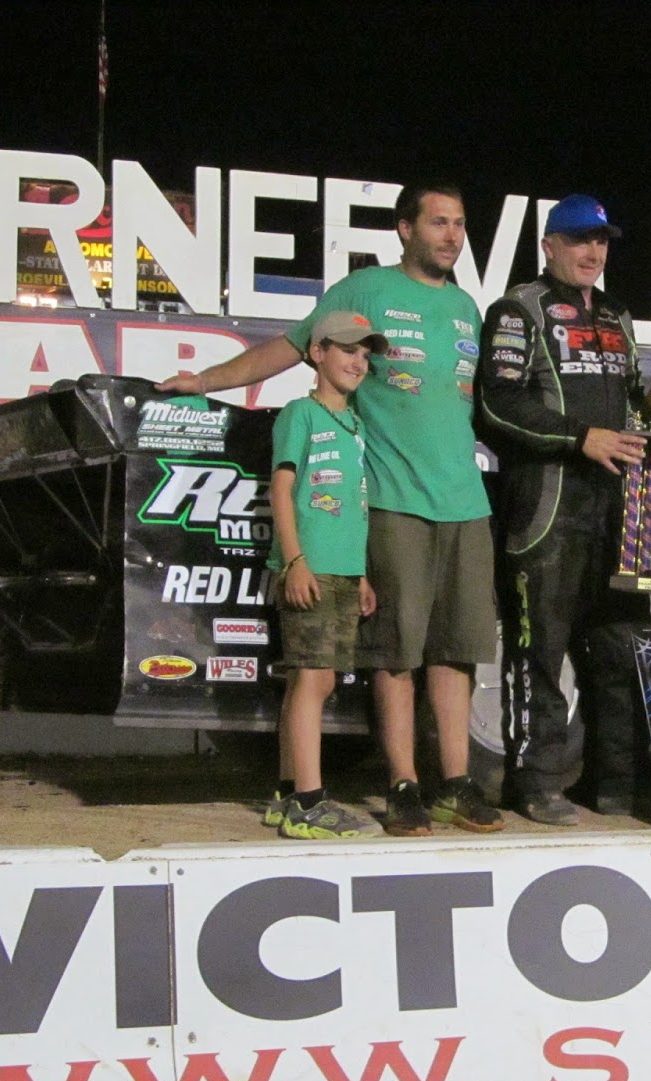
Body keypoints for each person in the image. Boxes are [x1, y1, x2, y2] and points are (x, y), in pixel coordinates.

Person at [159, 182, 503, 837]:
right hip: (396, 500)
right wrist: (205, 380)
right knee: (395, 653)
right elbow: (286, 348)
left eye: (459, 224)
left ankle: (455, 785)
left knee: (456, 652)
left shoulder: (466, 306)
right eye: (438, 223)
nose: (452, 236)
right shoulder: (364, 291)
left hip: (466, 501)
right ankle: (403, 784)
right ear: (405, 228)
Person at [475, 193, 651, 826]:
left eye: (602, 241)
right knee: (539, 649)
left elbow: (640, 403)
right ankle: (534, 782)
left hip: (619, 508)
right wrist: (579, 437)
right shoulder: (519, 309)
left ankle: (614, 783)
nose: (593, 251)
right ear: (550, 246)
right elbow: (498, 405)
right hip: (548, 505)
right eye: (580, 239)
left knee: (620, 648)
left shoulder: (617, 315)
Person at [263, 311, 383, 839]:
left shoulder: (356, 424)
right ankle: (310, 804)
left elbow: (353, 507)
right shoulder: (300, 414)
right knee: (314, 680)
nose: (359, 362)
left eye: (365, 354)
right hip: (309, 568)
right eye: (348, 350)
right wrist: (295, 561)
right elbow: (281, 489)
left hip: (342, 571)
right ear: (317, 353)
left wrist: (361, 574)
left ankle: (288, 796)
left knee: (310, 680)